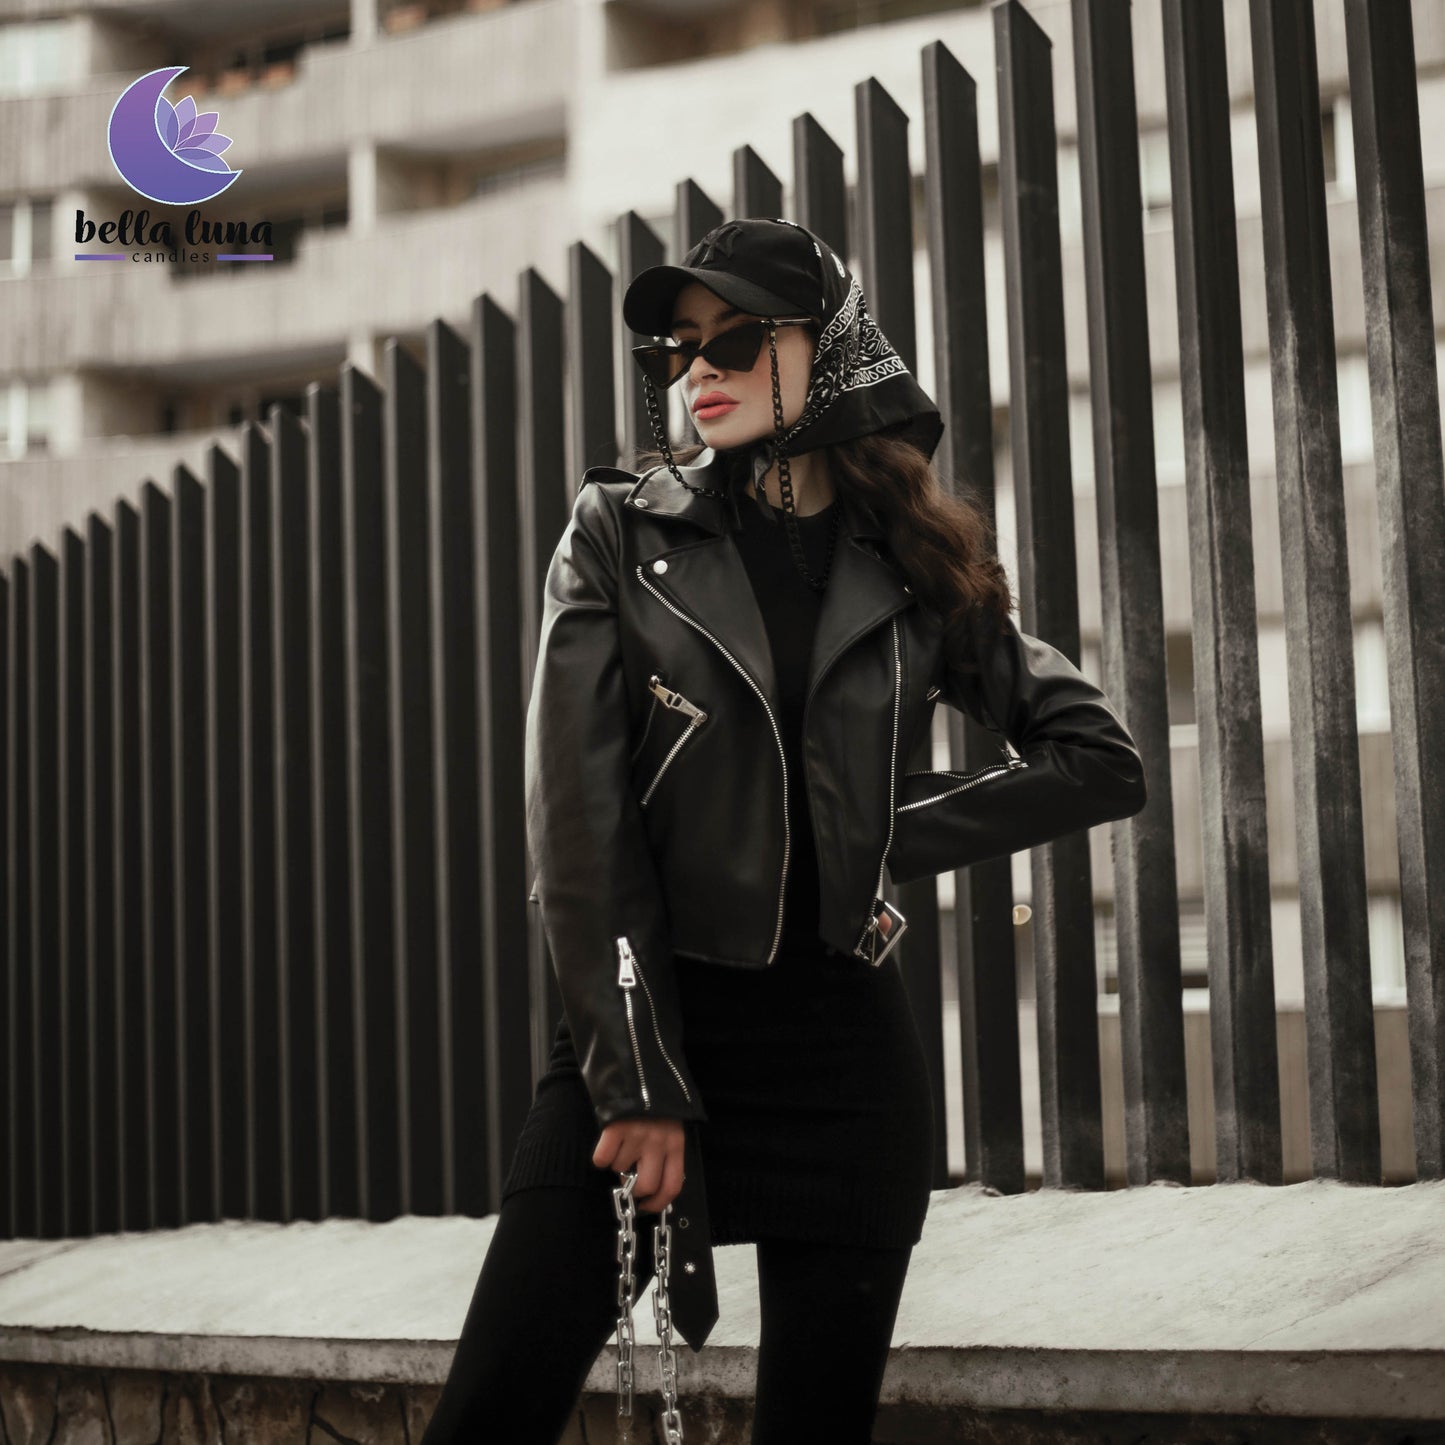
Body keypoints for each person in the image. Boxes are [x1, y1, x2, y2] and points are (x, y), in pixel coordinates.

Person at [420, 218, 1148, 1444]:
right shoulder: (619, 534)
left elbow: (1094, 757)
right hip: (649, 1025)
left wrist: (856, 839)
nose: (696, 369)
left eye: (736, 338)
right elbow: (580, 829)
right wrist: (639, 1078)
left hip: (844, 1063)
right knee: (486, 1418)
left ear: (831, 348)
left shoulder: (909, 560)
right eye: (677, 346)